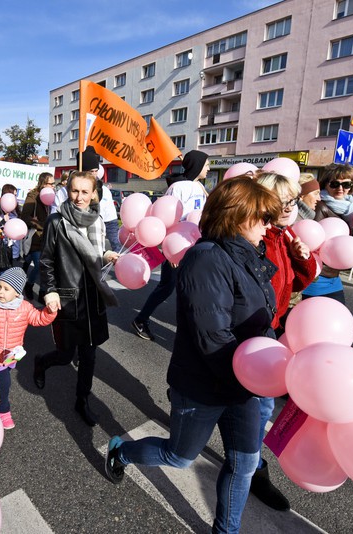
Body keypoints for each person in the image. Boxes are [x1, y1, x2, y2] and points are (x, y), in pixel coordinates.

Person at [105, 177, 281, 534]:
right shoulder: (206, 258)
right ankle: (121, 451)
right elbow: (212, 335)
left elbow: (263, 321)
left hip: (244, 384)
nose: (269, 225)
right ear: (237, 215)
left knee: (244, 463)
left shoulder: (251, 256)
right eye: (263, 217)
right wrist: (253, 375)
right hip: (204, 384)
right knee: (179, 456)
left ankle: (225, 531)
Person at [33, 171, 120, 426]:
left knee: (89, 355)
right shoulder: (57, 221)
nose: (79, 197)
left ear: (94, 193)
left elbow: (96, 251)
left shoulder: (98, 219)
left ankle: (82, 400)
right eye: (75, 191)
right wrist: (49, 291)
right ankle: (42, 362)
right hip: (69, 297)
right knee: (65, 353)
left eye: (85, 191)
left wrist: (107, 255)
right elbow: (47, 260)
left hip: (94, 296)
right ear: (67, 191)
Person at [251, 171, 315, 511]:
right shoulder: (257, 237)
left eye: (295, 199)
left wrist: (301, 253)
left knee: (258, 408)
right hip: (250, 338)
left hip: (270, 334)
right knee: (259, 408)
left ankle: (252, 468)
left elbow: (300, 281)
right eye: (287, 200)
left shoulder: (283, 234)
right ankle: (253, 470)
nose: (294, 206)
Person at [131, 150, 209, 341]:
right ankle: (141, 319)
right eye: (206, 164)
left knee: (192, 288)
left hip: (195, 245)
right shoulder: (179, 188)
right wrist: (171, 252)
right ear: (198, 166)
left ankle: (192, 330)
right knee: (167, 287)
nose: (209, 167)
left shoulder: (198, 187)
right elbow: (168, 219)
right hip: (177, 247)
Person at [0, 267, 58, 429]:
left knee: (2, 377)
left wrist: (50, 311)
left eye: (6, 289)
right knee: (4, 383)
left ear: (17, 292)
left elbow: (39, 319)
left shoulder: (25, 307)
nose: (0, 292)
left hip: (14, 354)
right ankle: (3, 411)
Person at [301, 164, 353, 304]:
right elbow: (312, 244)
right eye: (334, 184)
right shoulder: (319, 207)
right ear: (325, 185)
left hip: (334, 277)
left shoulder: (352, 209)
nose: (340, 189)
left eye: (346, 184)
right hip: (318, 279)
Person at [21, 172, 56, 299]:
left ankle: (42, 292)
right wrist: (41, 224)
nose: (53, 186)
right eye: (50, 184)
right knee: (40, 266)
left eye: (53, 183)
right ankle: (30, 285)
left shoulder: (52, 195)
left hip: (48, 237)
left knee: (45, 265)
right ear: (43, 183)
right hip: (36, 237)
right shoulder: (33, 196)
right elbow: (24, 216)